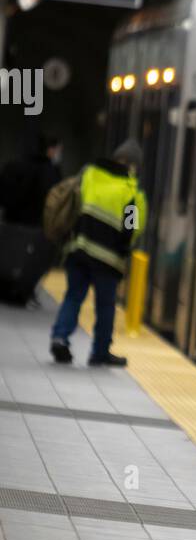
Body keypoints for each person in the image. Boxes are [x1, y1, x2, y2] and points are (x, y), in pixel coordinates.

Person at [49, 139, 148, 367]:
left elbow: (73, 205)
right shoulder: (131, 191)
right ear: (133, 165)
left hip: (78, 249)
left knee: (73, 296)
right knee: (105, 306)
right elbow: (132, 228)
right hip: (107, 259)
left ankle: (60, 337)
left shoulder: (89, 174)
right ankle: (100, 352)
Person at [0, 133, 63, 227]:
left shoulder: (11, 166)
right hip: (37, 227)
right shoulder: (49, 171)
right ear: (49, 149)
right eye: (59, 150)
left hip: (11, 225)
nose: (59, 154)